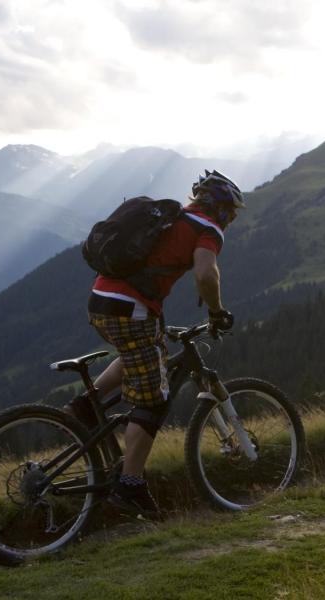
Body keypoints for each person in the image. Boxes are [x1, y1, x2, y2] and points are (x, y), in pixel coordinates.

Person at [69, 170, 244, 518]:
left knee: (145, 354)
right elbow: (206, 273)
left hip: (100, 301)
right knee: (154, 400)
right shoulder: (208, 228)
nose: (232, 219)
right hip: (130, 310)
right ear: (222, 208)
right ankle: (130, 484)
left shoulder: (172, 217)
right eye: (233, 212)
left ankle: (87, 404)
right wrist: (217, 312)